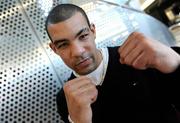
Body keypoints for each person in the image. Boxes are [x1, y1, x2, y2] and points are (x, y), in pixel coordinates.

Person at [45, 3, 180, 123]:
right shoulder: (66, 99)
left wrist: (175, 62)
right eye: (63, 44)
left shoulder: (140, 57)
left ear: (93, 31)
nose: (78, 52)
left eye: (83, 36)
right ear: (54, 49)